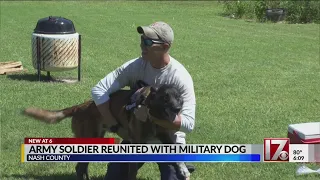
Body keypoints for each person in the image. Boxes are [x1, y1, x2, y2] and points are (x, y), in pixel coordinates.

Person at [91, 21, 196, 180]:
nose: (142, 45)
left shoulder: (179, 77)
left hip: (167, 141)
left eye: (148, 42)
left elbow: (188, 124)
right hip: (135, 137)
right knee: (114, 177)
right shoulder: (135, 66)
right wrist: (115, 125)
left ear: (165, 47)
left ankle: (179, 164)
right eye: (142, 39)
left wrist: (150, 116)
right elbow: (99, 90)